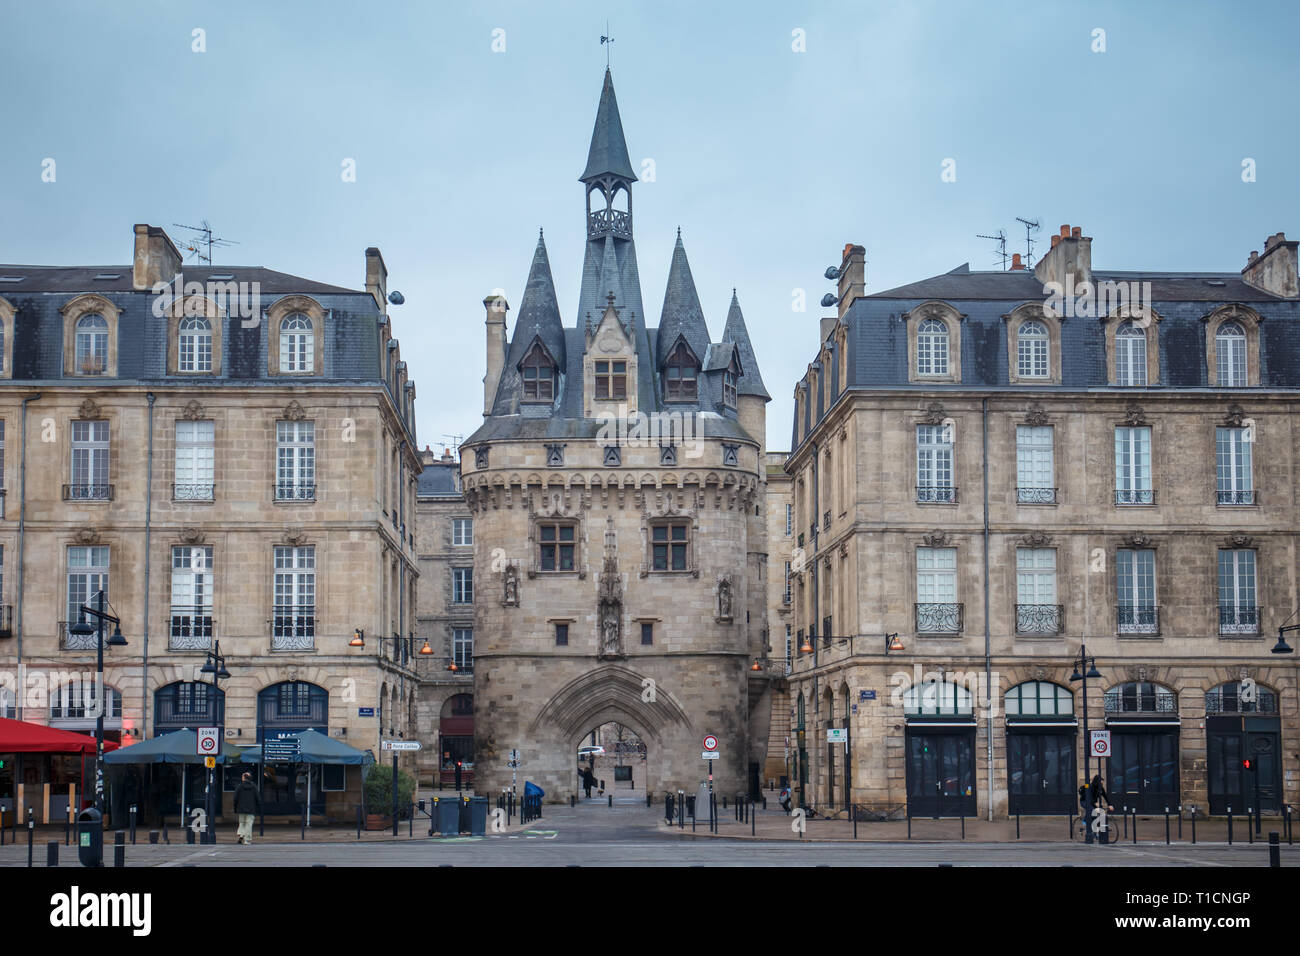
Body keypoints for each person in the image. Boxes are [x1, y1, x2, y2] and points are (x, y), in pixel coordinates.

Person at [233, 772, 260, 845]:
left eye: (242, 777)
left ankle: (241, 834)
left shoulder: (239, 786)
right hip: (251, 809)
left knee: (242, 823)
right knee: (249, 824)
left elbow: (235, 798)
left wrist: (235, 806)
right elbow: (257, 798)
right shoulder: (254, 786)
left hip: (241, 809)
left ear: (244, 778)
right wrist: (257, 806)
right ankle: (247, 840)